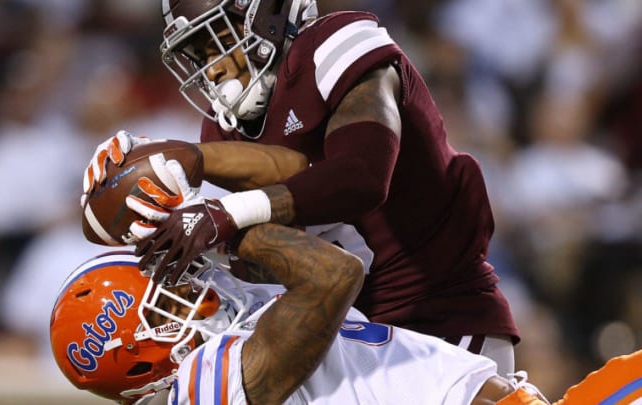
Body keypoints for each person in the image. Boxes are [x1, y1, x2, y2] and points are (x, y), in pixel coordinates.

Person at [81, 0, 519, 374]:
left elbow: (360, 175)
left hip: (441, 323)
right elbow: (284, 242)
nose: (210, 67)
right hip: (349, 341)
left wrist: (226, 215)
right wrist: (183, 233)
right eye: (196, 53)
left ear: (265, 16)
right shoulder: (222, 130)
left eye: (217, 40)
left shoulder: (338, 44)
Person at [50, 223, 547, 405]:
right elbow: (334, 273)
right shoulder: (206, 381)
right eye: (172, 293)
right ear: (139, 346)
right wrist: (218, 222)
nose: (196, 280)